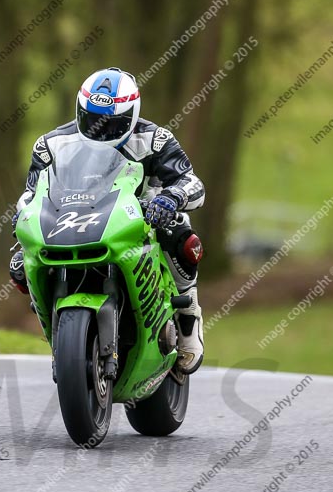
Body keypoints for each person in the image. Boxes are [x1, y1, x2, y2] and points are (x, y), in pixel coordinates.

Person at [10, 67, 205, 374]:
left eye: (112, 124)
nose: (100, 130)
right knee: (20, 263)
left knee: (180, 231)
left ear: (132, 115)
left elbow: (191, 182)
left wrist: (171, 198)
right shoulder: (50, 145)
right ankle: (59, 333)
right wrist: (21, 215)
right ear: (80, 110)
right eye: (92, 120)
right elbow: (31, 193)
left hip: (139, 218)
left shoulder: (155, 139)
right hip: (72, 218)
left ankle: (188, 316)